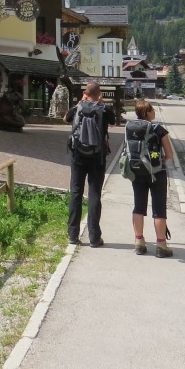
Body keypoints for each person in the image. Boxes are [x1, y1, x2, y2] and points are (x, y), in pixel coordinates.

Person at [64, 81, 114, 247]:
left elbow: (65, 119)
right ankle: (94, 238)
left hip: (77, 156)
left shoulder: (77, 108)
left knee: (76, 193)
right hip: (97, 158)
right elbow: (113, 121)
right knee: (94, 194)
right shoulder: (104, 109)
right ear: (99, 94)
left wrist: (81, 102)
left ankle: (73, 235)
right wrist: (100, 103)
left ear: (85, 93)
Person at [128, 99, 174, 257]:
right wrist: (159, 161)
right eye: (152, 109)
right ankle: (161, 246)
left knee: (138, 207)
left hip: (137, 171)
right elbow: (169, 155)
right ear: (147, 113)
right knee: (159, 209)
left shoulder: (131, 128)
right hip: (157, 173)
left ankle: (139, 243)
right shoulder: (158, 129)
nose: (154, 111)